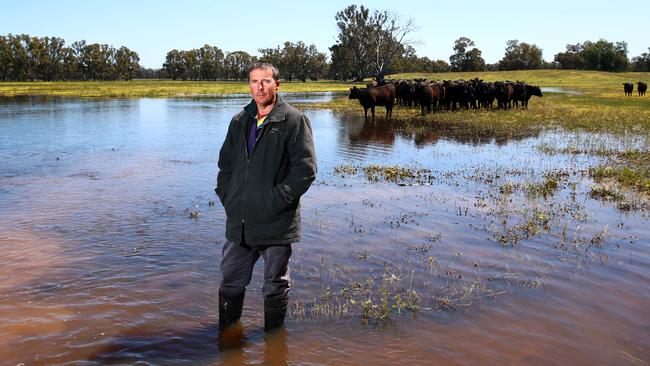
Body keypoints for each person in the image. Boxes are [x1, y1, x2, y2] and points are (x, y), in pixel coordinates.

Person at [215, 62, 317, 332]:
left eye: (265, 81)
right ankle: (227, 337)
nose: (259, 87)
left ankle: (273, 343)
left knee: (275, 286)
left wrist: (276, 200)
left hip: (276, 223)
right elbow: (225, 165)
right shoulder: (239, 121)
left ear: (277, 84)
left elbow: (305, 170)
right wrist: (229, 197)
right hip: (241, 223)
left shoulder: (293, 120)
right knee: (230, 282)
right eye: (254, 81)